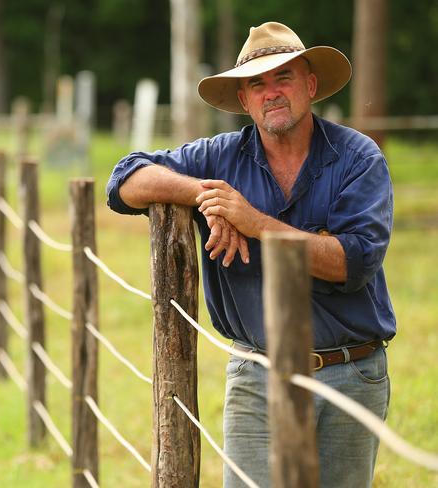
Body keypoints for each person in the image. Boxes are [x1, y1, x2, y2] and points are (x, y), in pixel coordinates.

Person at [106, 21, 395, 487]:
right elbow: (125, 180)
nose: (271, 93)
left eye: (283, 77)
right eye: (256, 84)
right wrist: (209, 195)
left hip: (349, 373)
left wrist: (253, 221)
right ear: (243, 101)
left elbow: (354, 261)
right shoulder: (222, 158)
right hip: (257, 375)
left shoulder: (358, 158)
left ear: (310, 85)